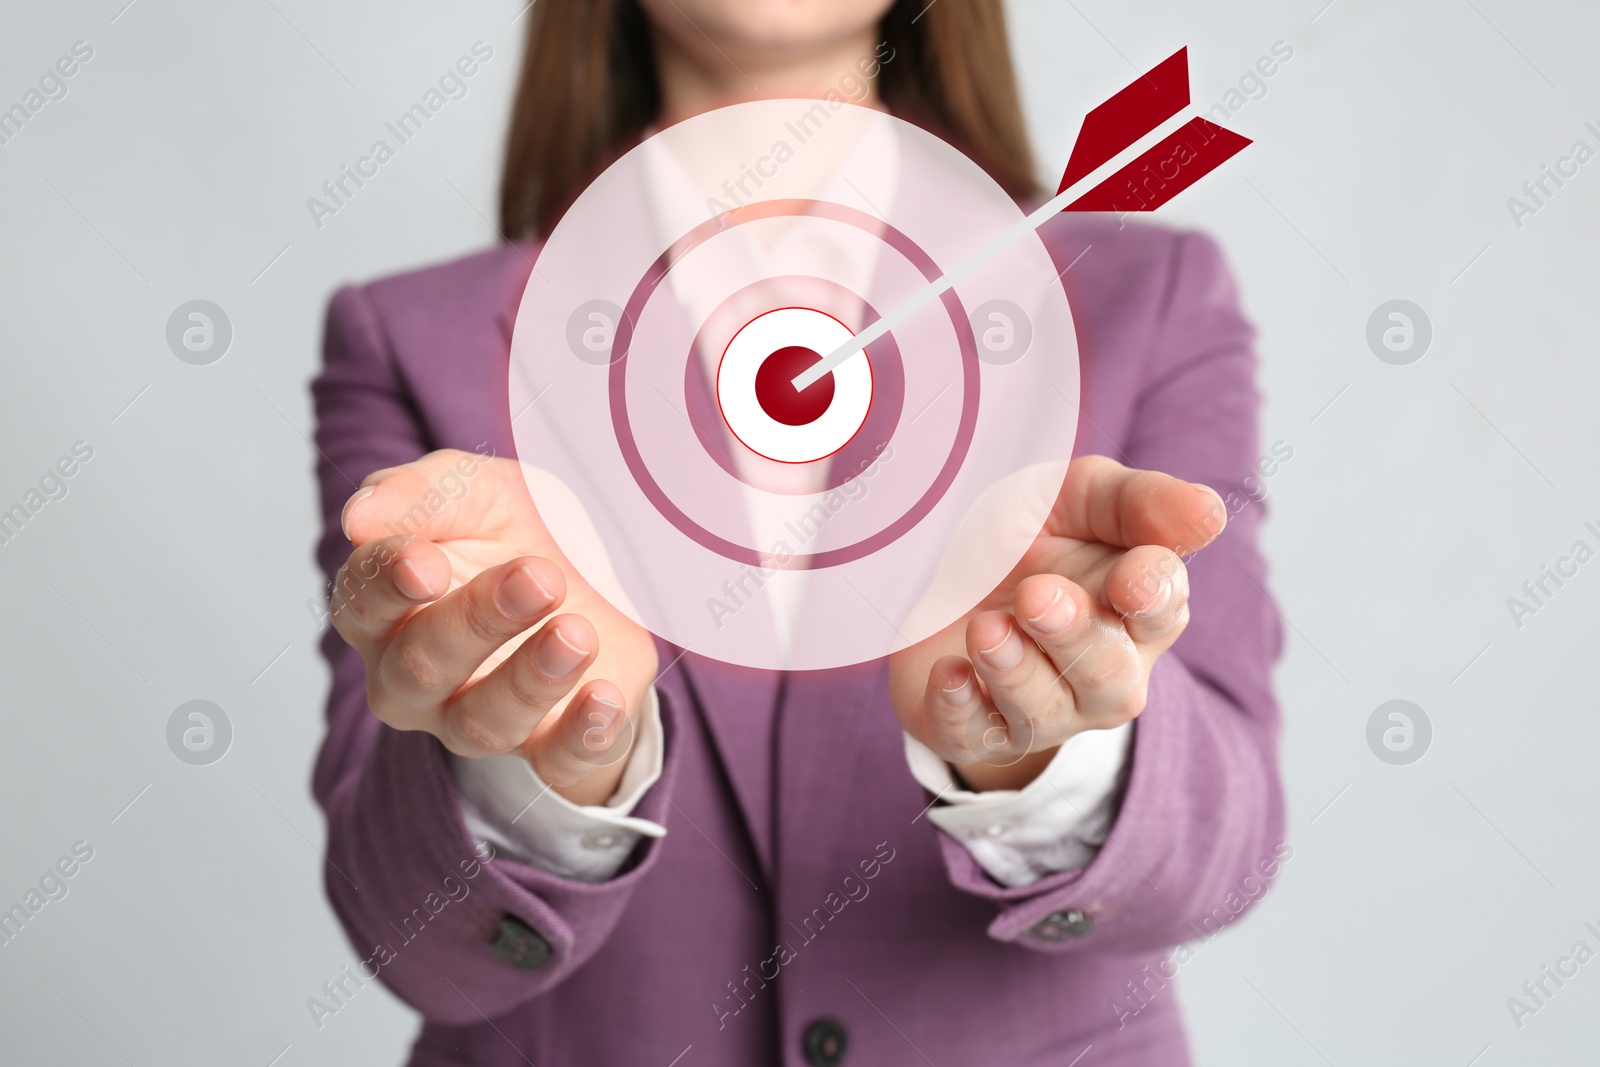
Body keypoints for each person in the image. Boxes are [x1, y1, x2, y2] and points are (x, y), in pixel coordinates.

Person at [310, 1, 1285, 1063]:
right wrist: (547, 759)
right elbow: (417, 946)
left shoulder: (1150, 294)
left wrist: (1045, 743)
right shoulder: (412, 339)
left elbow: (1224, 856)